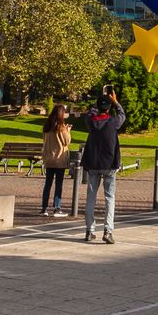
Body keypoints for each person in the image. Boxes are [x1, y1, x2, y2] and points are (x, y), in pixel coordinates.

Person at [80, 87, 124, 243]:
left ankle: (89, 230)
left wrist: (96, 104)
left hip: (93, 163)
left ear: (98, 107)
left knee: (90, 198)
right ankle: (108, 230)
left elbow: (89, 115)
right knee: (109, 198)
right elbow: (122, 115)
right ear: (109, 107)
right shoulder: (113, 122)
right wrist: (115, 101)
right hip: (109, 164)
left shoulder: (91, 122)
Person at [40, 102, 73, 216]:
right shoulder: (61, 127)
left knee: (48, 183)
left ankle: (44, 208)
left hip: (49, 158)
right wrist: (68, 131)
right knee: (58, 184)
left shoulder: (46, 127)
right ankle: (57, 207)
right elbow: (66, 141)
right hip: (59, 159)